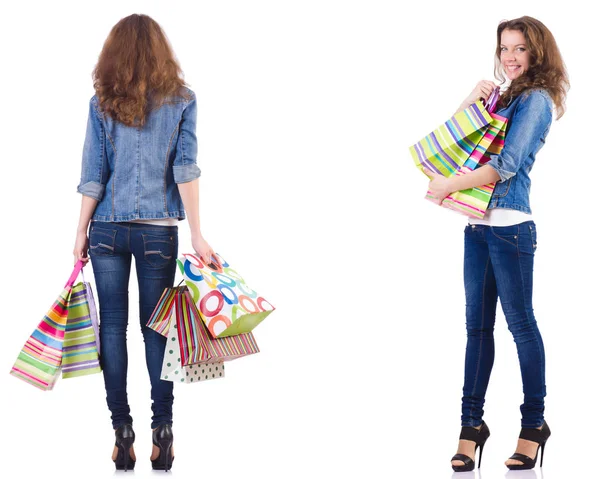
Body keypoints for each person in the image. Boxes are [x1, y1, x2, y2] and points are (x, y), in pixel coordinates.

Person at [72, 13, 219, 472]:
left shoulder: (102, 102)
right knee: (157, 330)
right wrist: (197, 232)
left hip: (108, 228)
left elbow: (93, 177)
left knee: (112, 330)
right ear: (161, 51)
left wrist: (80, 230)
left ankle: (122, 431)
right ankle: (164, 429)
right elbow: (185, 170)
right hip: (159, 232)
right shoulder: (183, 101)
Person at [423, 16, 568, 471]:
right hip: (478, 227)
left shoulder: (538, 101)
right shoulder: (503, 98)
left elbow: (504, 166)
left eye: (520, 48)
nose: (510, 56)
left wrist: (448, 186)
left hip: (511, 229)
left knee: (521, 326)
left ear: (537, 53)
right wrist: (470, 100)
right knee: (477, 330)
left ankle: (534, 425)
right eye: (505, 47)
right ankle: (471, 427)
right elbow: (453, 145)